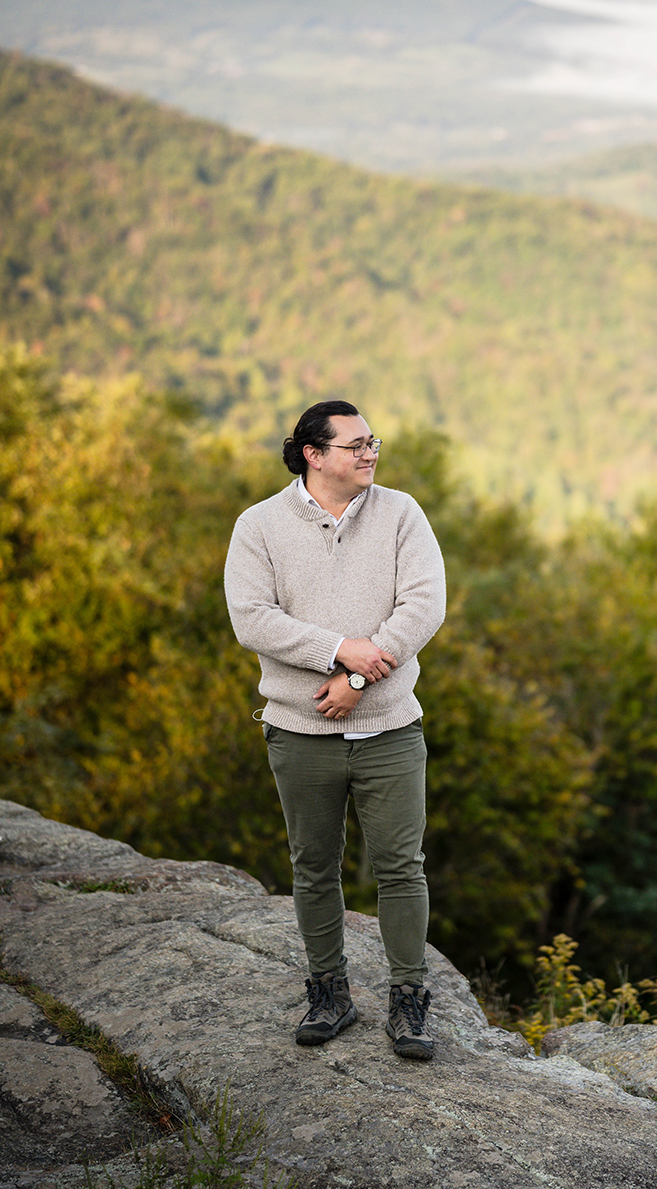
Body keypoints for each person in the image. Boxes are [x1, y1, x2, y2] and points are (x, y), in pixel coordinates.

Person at [224, 400, 446, 1060]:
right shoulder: (259, 526)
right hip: (297, 732)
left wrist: (356, 679)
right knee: (314, 867)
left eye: (371, 441)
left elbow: (425, 605)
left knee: (402, 868)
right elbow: (252, 619)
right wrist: (337, 649)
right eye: (354, 445)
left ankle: (409, 1005)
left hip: (390, 731)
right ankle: (330, 995)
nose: (369, 453)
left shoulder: (401, 512)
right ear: (313, 455)